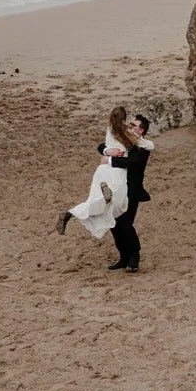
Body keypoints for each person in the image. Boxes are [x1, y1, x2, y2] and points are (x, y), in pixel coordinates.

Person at [57, 113, 129, 242]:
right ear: (124, 119)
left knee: (93, 200)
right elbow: (145, 147)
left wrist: (106, 152)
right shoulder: (127, 134)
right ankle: (108, 201)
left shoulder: (110, 131)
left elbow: (101, 146)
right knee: (119, 203)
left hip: (102, 170)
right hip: (117, 170)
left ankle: (72, 213)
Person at [110, 111, 152, 274]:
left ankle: (134, 256)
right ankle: (123, 257)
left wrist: (111, 160)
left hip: (132, 190)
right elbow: (102, 146)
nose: (129, 127)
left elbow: (131, 162)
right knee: (114, 223)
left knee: (126, 223)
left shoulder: (143, 146)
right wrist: (108, 152)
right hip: (117, 187)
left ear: (141, 130)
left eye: (133, 125)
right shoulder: (123, 140)